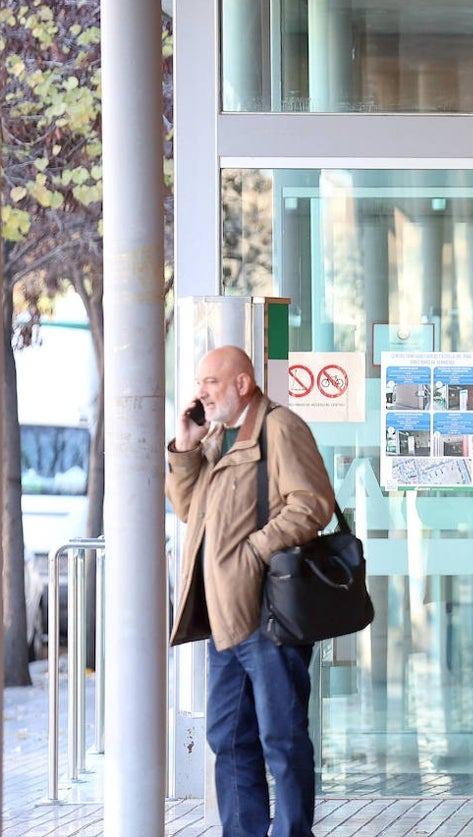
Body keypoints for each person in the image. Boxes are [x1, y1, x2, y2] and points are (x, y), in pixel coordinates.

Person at [166, 345, 336, 836]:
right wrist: (186, 448)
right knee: (229, 738)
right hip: (225, 617)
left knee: (281, 740)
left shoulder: (280, 428)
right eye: (199, 383)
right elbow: (189, 511)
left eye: (211, 382)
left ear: (243, 383)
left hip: (267, 613)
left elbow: (312, 504)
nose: (201, 391)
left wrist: (255, 550)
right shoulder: (218, 437)